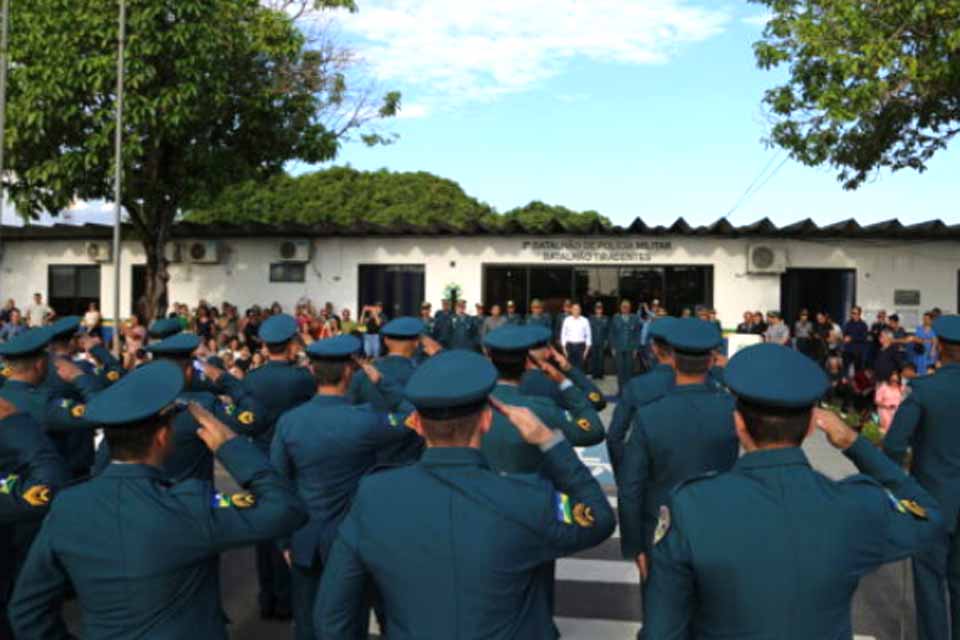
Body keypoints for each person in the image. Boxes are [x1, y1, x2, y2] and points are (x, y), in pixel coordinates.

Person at [641, 343, 943, 639]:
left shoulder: (691, 506)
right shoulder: (856, 505)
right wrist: (855, 444)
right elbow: (928, 516)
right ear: (813, 426)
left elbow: (662, 630)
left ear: (738, 424)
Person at [314, 349, 615, 639]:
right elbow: (599, 518)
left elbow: (332, 615)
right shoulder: (528, 498)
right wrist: (550, 441)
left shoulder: (374, 496)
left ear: (416, 424)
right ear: (486, 420)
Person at [8, 361, 308, 639]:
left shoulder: (68, 506)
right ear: (163, 436)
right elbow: (286, 509)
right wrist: (231, 447)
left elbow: (27, 611)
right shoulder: (191, 504)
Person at [272, 335, 415, 640]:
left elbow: (277, 484)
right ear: (349, 373)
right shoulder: (364, 421)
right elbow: (413, 415)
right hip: (352, 537)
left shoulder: (289, 422)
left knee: (308, 621)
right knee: (349, 621)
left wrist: (283, 541)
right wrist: (381, 381)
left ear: (312, 372)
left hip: (305, 536)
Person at [617, 318, 738, 583]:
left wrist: (634, 546)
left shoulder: (650, 416)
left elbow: (630, 489)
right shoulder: (733, 411)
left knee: (661, 617)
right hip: (719, 526)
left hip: (663, 527)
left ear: (672, 360)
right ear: (711, 360)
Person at [94, 332, 267, 483]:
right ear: (189, 371)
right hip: (191, 506)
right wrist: (223, 378)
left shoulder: (132, 405)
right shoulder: (202, 407)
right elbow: (253, 419)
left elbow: (103, 461)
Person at [884, 315, 960, 640]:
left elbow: (894, 445)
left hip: (931, 498)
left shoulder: (924, 390)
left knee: (929, 580)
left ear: (938, 346)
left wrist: (897, 488)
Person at [242, 313, 316, 620]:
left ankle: (267, 597)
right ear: (290, 345)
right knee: (289, 527)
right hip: (291, 459)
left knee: (264, 532)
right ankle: (286, 600)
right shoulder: (301, 378)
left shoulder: (251, 378)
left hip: (259, 458)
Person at [607, 318, 676, 475]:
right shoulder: (706, 387)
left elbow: (614, 437)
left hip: (645, 473)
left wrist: (624, 473)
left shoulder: (637, 386)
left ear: (653, 348)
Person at [610, 299, 641, 396]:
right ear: (620, 307)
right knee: (620, 371)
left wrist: (636, 348)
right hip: (619, 348)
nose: (625, 308)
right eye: (623, 306)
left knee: (629, 371)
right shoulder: (615, 318)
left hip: (630, 349)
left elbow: (637, 334)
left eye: (627, 307)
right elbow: (612, 333)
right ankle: (620, 391)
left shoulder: (634, 318)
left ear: (630, 308)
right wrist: (613, 347)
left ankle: (628, 391)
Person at [560, 303, 591, 370]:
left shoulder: (585, 320)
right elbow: (563, 335)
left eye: (577, 309)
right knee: (570, 368)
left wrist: (586, 350)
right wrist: (564, 348)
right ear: (571, 310)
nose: (576, 311)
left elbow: (588, 335)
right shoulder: (567, 320)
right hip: (570, 346)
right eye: (574, 309)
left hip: (581, 346)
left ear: (580, 310)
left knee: (581, 367)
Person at [875, 370, 904, 435]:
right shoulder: (883, 387)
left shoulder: (900, 388)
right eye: (893, 380)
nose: (894, 382)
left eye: (897, 381)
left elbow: (904, 399)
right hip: (885, 412)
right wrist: (887, 406)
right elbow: (877, 401)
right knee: (886, 431)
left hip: (897, 413)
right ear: (889, 379)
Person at [842, 306, 869, 372]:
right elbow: (845, 333)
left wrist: (851, 338)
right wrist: (845, 337)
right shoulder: (848, 323)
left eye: (854, 313)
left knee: (858, 370)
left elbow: (864, 337)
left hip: (858, 351)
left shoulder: (863, 325)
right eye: (852, 313)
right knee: (845, 369)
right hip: (848, 350)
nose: (852, 315)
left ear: (859, 314)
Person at [588, 302, 609, 380]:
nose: (599, 310)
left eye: (600, 308)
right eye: (597, 308)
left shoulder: (605, 318)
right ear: (595, 309)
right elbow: (588, 331)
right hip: (593, 341)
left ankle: (600, 374)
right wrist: (588, 342)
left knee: (601, 358)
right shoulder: (591, 318)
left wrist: (606, 341)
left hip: (601, 341)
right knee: (594, 358)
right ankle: (594, 374)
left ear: (602, 309)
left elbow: (607, 331)